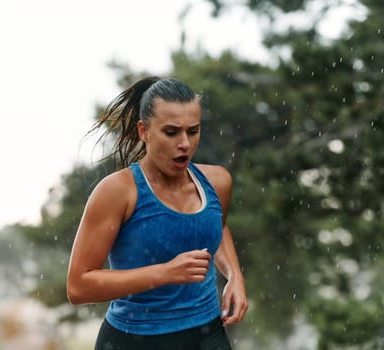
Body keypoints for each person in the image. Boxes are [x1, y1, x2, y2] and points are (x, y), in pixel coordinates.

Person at [66, 76, 248, 350]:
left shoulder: (217, 182)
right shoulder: (118, 192)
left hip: (207, 336)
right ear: (144, 131)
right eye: (171, 132)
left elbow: (216, 226)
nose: (185, 143)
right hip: (133, 341)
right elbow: (79, 287)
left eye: (193, 130)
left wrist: (234, 275)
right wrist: (164, 273)